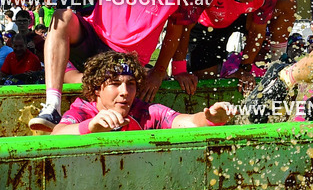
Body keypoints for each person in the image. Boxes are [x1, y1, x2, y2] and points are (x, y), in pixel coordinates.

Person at [7, 0, 195, 131]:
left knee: (78, 80)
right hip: (94, 40)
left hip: (128, 60)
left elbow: (177, 28)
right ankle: (52, 106)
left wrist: (162, 71)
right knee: (63, 16)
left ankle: (86, 109)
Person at [172, 0, 293, 94]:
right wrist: (179, 69)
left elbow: (257, 31)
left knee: (287, 1)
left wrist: (245, 69)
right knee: (206, 83)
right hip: (209, 22)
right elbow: (184, 27)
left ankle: (277, 63)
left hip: (244, 16)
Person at [51, 52, 234, 135]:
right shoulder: (83, 112)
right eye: (115, 84)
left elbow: (187, 122)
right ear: (97, 89)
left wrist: (211, 119)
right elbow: (57, 134)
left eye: (131, 84)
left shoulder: (146, 112)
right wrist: (91, 127)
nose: (125, 92)